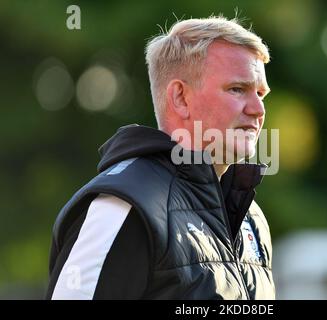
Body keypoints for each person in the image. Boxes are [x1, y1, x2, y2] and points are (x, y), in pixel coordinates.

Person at [46, 16, 275, 300]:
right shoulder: (124, 206)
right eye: (237, 89)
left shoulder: (251, 218)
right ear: (180, 97)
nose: (257, 109)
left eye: (261, 93)